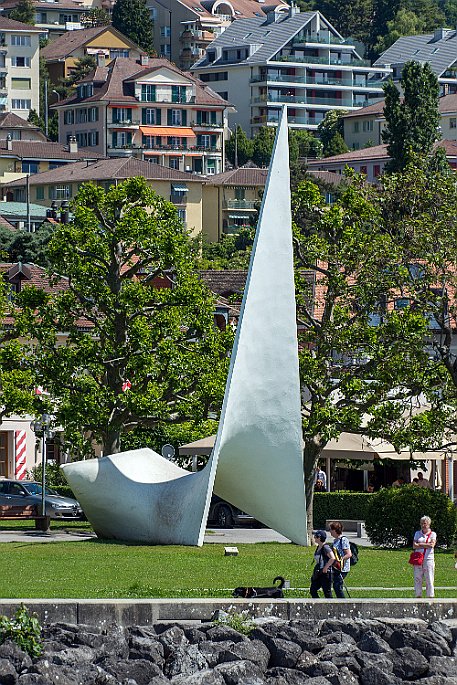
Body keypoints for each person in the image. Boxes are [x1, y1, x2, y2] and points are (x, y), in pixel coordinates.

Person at [413, 515, 437, 598]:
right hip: (418, 558)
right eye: (422, 523)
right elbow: (414, 546)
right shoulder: (417, 533)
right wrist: (426, 545)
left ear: (429, 524)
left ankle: (430, 597)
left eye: (425, 523)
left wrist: (420, 544)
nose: (423, 525)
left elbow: (432, 545)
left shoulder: (433, 534)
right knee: (417, 578)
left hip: (428, 559)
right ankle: (418, 596)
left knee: (429, 578)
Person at [329, 521, 352, 598]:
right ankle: (341, 603)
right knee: (337, 586)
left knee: (337, 586)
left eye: (331, 529)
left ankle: (343, 604)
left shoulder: (343, 540)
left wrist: (340, 559)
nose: (330, 531)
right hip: (337, 567)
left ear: (335, 530)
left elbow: (349, 554)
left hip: (343, 568)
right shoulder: (335, 540)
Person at [310, 530, 335, 598]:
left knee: (327, 592)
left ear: (319, 538)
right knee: (313, 589)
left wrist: (326, 567)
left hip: (326, 573)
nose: (314, 537)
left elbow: (332, 558)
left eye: (315, 536)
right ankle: (317, 605)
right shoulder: (319, 547)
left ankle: (331, 607)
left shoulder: (326, 547)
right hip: (319, 573)